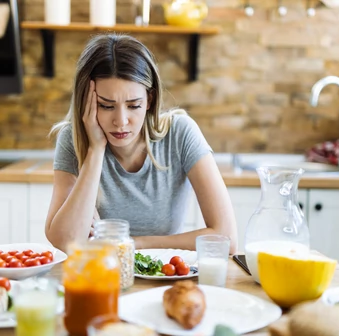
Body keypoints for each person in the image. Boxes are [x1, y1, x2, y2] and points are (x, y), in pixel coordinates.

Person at [45, 33, 237, 254]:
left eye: (133, 105)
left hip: (163, 276)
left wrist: (130, 243)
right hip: (100, 277)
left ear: (150, 100)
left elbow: (227, 238)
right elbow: (65, 241)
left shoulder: (180, 133)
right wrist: (95, 151)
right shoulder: (73, 139)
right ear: (85, 102)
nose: (121, 121)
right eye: (106, 106)